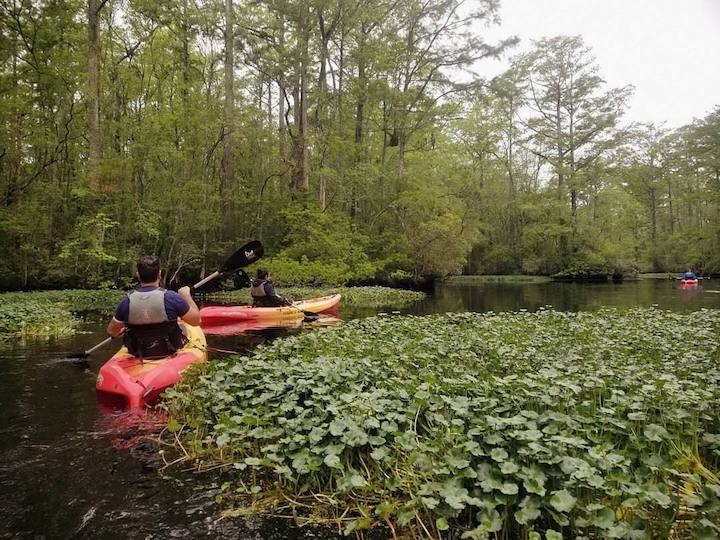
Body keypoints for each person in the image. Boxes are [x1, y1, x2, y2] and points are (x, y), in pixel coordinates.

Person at [107, 255, 201, 359]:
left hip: (138, 352)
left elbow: (112, 331)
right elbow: (196, 321)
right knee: (183, 327)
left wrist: (119, 332)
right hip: (169, 349)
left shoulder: (126, 301)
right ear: (159, 274)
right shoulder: (172, 297)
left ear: (138, 275)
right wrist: (187, 296)